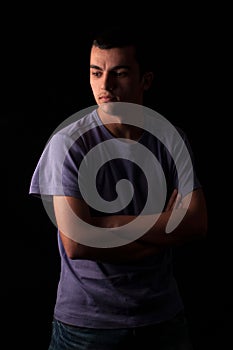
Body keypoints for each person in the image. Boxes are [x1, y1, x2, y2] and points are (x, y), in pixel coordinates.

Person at [29, 25, 208, 350]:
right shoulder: (68, 143)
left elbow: (195, 224)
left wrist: (105, 226)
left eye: (120, 73)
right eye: (96, 73)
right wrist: (165, 226)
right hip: (87, 326)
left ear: (146, 80)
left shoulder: (170, 138)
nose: (105, 85)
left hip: (163, 319)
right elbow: (77, 244)